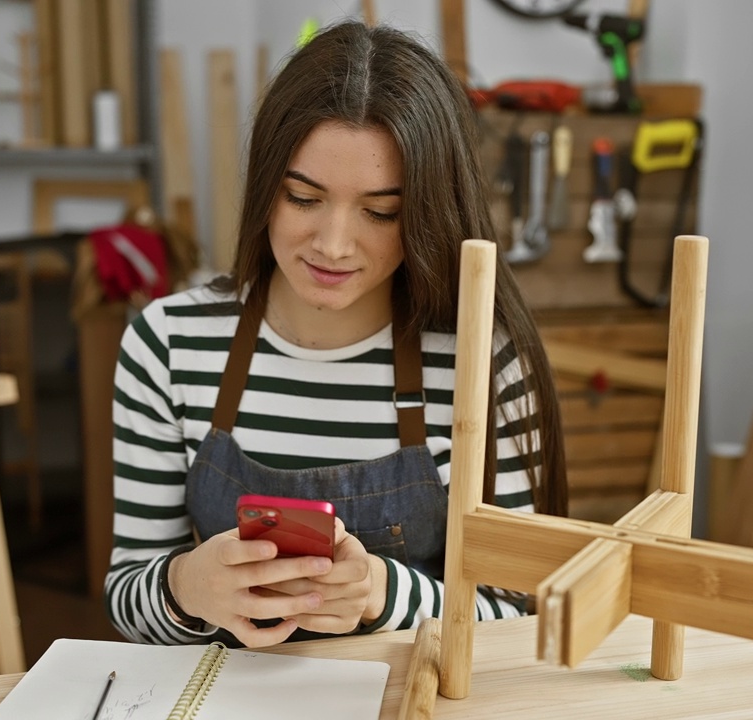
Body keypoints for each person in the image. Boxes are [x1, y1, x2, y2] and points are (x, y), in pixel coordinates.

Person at [106, 20, 566, 648]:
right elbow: (127, 594)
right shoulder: (167, 347)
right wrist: (187, 585)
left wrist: (380, 592)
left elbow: (524, 614)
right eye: (302, 198)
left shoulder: (479, 361)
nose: (333, 244)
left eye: (381, 212)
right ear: (266, 186)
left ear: (429, 211)